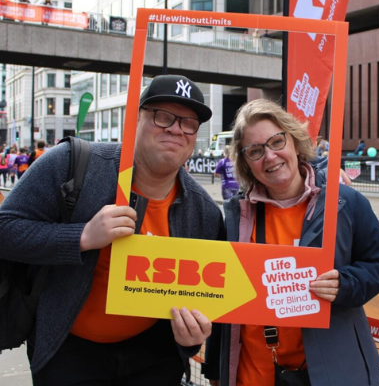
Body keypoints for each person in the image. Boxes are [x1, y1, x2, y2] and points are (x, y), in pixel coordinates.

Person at [0, 73, 222, 386]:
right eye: (163, 116)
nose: (176, 128)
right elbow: (5, 228)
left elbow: (203, 300)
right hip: (68, 352)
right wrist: (82, 237)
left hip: (154, 358)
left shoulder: (205, 213)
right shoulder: (70, 164)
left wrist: (190, 339)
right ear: (137, 119)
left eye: (188, 123)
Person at [211, 98, 379, 386]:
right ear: (246, 162)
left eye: (276, 141)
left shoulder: (345, 202)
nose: (269, 156)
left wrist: (344, 284)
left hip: (329, 373)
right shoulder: (237, 215)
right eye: (255, 151)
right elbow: (222, 300)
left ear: (294, 142)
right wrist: (216, 371)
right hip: (254, 374)